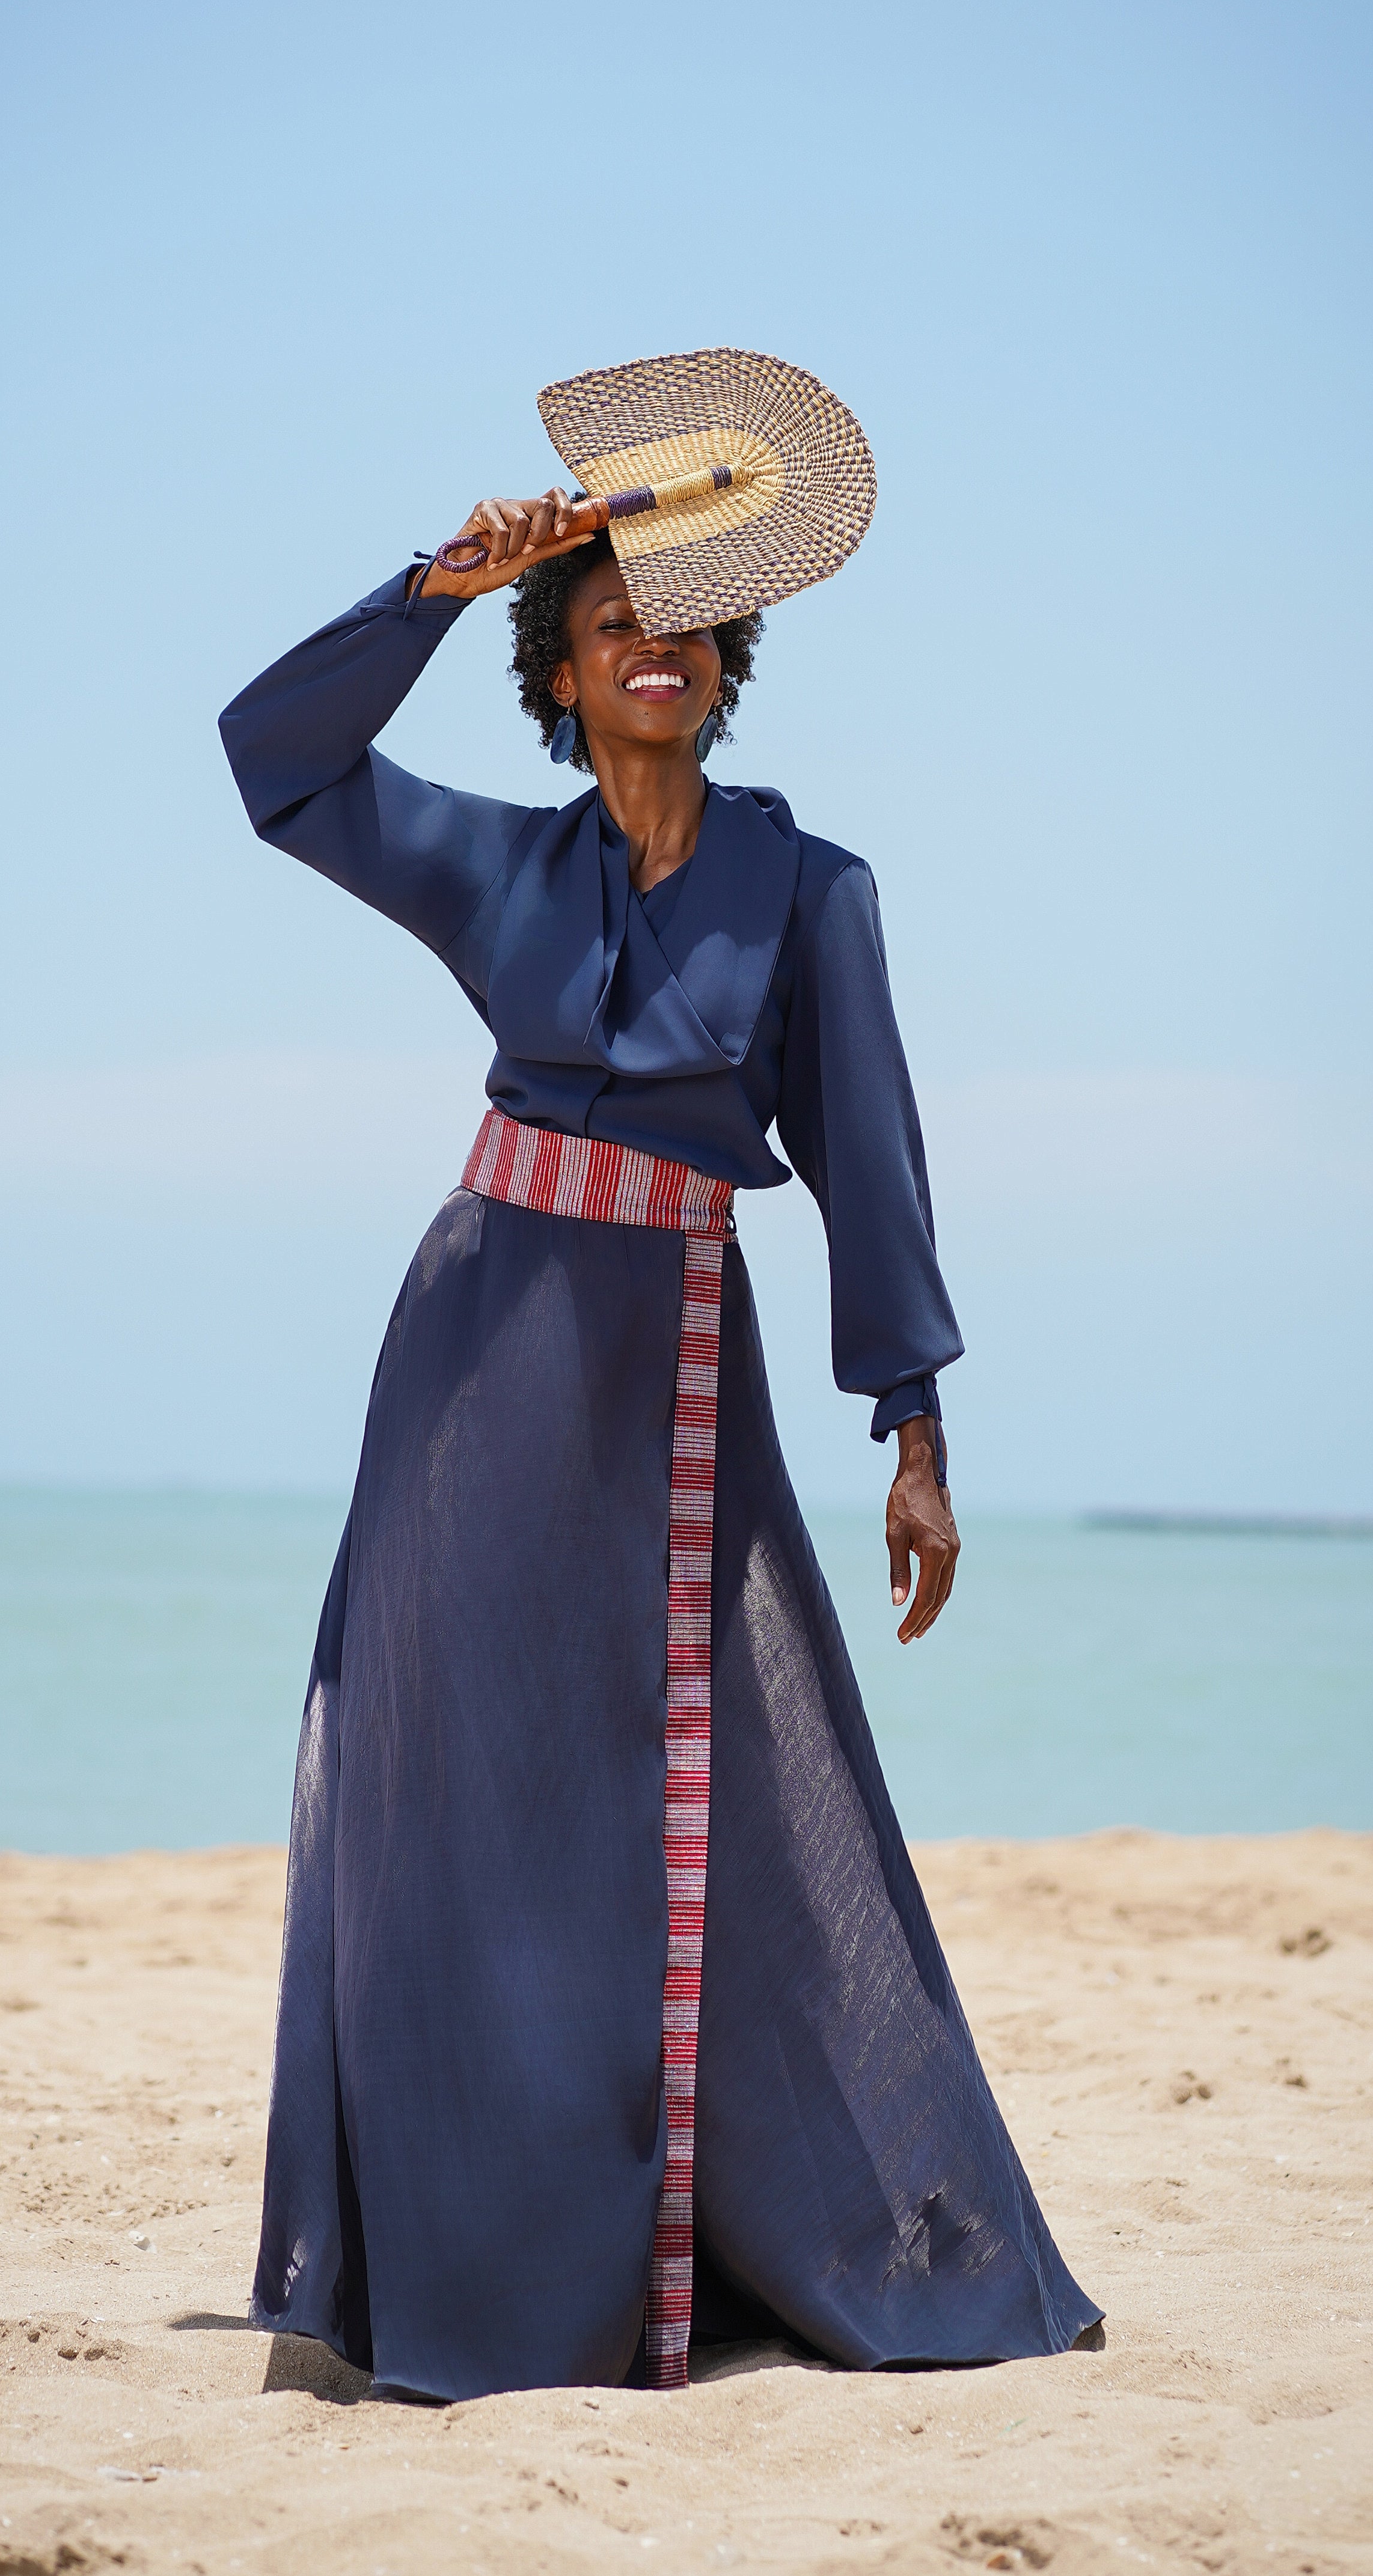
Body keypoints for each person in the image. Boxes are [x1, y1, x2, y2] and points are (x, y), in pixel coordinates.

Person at [219, 484, 1099, 2403]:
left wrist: (915, 1427)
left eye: (687, 623)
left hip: (682, 1358)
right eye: (610, 613)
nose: (654, 641)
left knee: (711, 1799)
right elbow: (272, 759)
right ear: (556, 668)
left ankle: (710, 2242)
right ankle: (459, 2264)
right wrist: (435, 587)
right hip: (470, 1366)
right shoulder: (488, 868)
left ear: (722, 667)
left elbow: (870, 1168)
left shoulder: (811, 889)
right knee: (449, 1797)